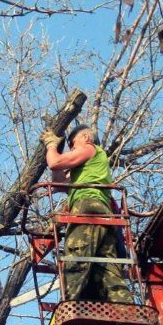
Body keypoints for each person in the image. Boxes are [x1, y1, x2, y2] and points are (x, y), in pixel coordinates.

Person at [40, 124, 134, 304]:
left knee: (77, 257)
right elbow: (59, 182)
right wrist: (57, 150)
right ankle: (124, 307)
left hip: (87, 209)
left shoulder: (90, 148)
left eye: (73, 145)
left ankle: (72, 307)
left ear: (86, 138)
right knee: (106, 267)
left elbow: (54, 163)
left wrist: (52, 146)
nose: (73, 150)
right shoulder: (87, 170)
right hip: (105, 217)